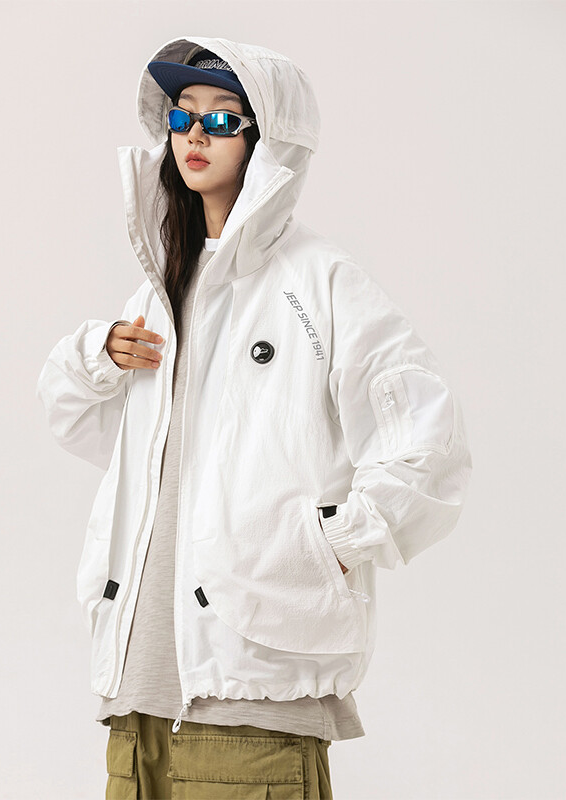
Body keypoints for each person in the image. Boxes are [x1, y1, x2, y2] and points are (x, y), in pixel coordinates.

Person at [35, 35, 473, 800]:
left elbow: (428, 440)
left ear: (269, 142)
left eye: (222, 119)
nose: (196, 135)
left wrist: (333, 544)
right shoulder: (159, 289)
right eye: (182, 115)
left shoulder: (319, 280)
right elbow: (96, 433)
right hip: (136, 706)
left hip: (256, 702)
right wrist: (94, 356)